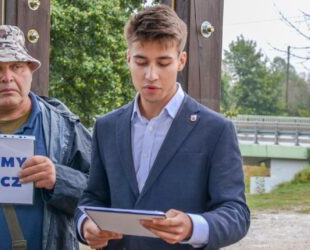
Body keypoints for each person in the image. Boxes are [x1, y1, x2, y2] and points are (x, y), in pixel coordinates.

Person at [76, 4, 250, 250]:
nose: (151, 75)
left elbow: (237, 214)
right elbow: (92, 197)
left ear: (181, 61)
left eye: (163, 62)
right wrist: (85, 225)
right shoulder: (106, 127)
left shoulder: (216, 130)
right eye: (141, 61)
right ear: (128, 58)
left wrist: (192, 226)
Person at [0, 25, 91, 250]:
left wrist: (59, 179)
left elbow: (103, 193)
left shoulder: (65, 129)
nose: (7, 78)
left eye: (16, 67)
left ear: (30, 71)